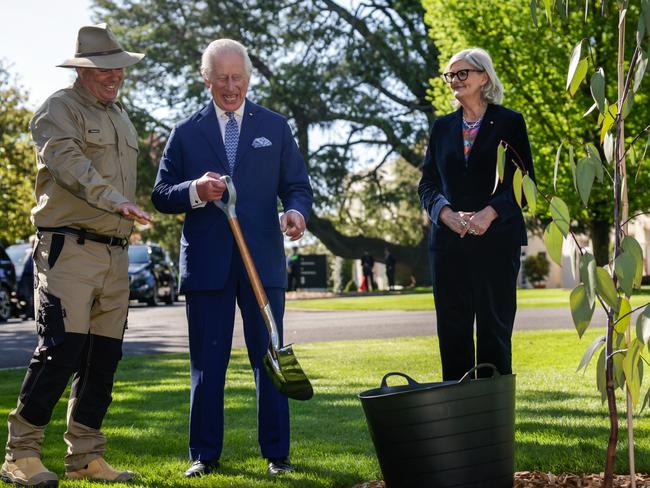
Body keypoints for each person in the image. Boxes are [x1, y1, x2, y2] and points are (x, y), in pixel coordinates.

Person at [151, 39, 313, 478]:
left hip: (263, 263)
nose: (229, 86)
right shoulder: (186, 132)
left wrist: (296, 212)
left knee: (271, 358)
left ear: (248, 77)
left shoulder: (276, 127)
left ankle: (277, 454)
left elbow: (297, 185)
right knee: (208, 362)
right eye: (221, 78)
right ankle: (203, 455)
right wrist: (195, 192)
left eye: (237, 77)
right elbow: (161, 194)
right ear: (206, 79)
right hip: (207, 267)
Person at [1, 24, 152, 487]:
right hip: (69, 249)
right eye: (104, 69)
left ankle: (86, 454)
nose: (114, 76)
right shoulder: (57, 110)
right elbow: (70, 166)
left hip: (114, 254)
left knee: (102, 358)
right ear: (83, 69)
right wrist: (114, 200)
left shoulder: (121, 117)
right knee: (61, 350)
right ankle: (20, 454)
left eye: (119, 68)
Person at [418, 48, 534, 381]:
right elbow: (427, 184)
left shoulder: (510, 122)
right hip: (448, 245)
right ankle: (458, 421)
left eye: (462, 73)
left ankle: (492, 420)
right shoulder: (441, 127)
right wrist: (445, 214)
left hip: (497, 242)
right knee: (453, 334)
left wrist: (490, 213)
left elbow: (524, 182)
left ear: (484, 76)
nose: (454, 80)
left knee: (494, 331)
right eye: (450, 75)